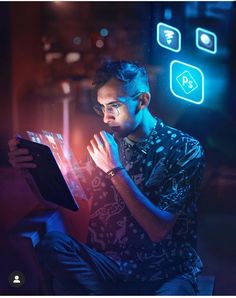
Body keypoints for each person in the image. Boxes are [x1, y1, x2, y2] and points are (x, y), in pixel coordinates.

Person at [8, 60, 204, 295]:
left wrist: (114, 170)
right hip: (108, 267)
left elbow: (159, 230)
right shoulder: (105, 145)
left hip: (165, 271)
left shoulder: (185, 148)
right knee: (52, 246)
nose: (106, 118)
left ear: (142, 101)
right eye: (102, 107)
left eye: (114, 106)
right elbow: (57, 201)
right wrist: (31, 172)